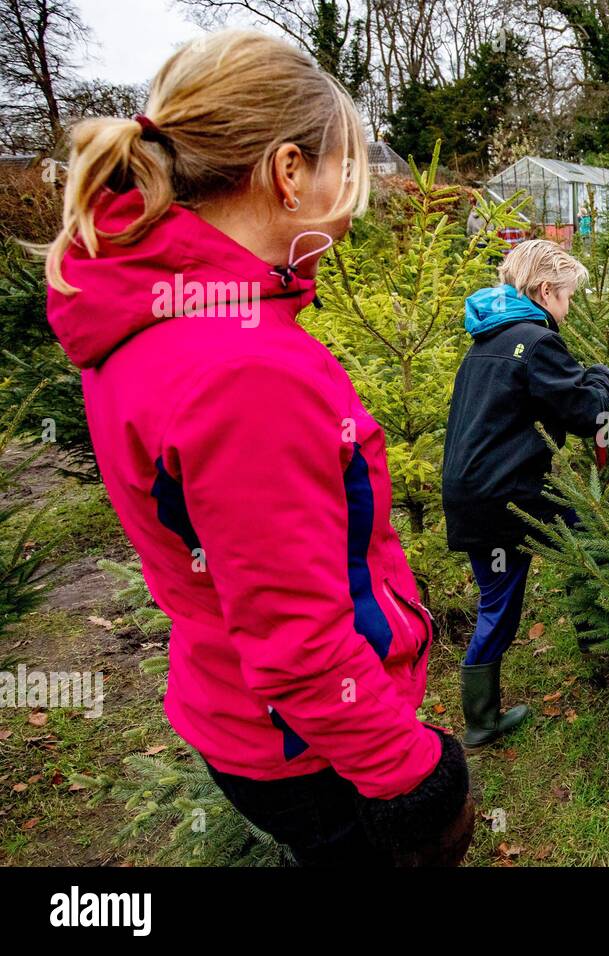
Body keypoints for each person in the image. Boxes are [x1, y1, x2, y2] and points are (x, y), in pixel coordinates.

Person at [43, 30, 473, 866]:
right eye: (346, 174)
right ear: (287, 173)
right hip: (317, 752)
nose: (353, 208)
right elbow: (300, 640)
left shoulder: (147, 314)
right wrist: (419, 780)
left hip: (244, 721)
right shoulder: (242, 367)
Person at [442, 239, 609, 749]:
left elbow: (543, 394)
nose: (568, 306)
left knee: (496, 599)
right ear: (546, 290)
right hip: (507, 494)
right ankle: (599, 642)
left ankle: (480, 717)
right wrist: (605, 379)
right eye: (566, 295)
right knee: (595, 537)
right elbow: (586, 413)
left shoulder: (488, 337)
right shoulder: (537, 340)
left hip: (472, 490)